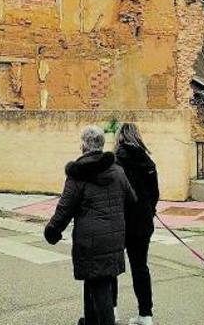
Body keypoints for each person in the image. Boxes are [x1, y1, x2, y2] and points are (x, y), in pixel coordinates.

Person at [45, 126, 136, 325]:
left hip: (91, 241)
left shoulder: (78, 175)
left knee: (100, 285)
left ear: (83, 145)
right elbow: (131, 200)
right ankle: (90, 321)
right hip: (114, 237)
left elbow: (65, 208)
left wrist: (52, 230)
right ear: (101, 145)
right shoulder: (117, 171)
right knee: (95, 280)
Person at [114, 123, 159, 325]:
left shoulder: (116, 161)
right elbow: (154, 194)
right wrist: (150, 211)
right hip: (143, 222)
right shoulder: (148, 162)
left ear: (120, 138)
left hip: (120, 221)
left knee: (112, 266)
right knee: (140, 268)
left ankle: (111, 310)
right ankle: (145, 314)